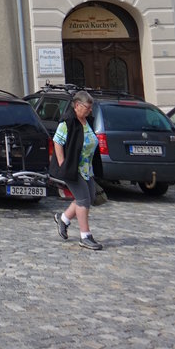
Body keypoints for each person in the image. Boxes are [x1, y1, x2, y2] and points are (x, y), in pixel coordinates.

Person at [52, 90, 104, 250]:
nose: (90, 111)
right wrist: (62, 163)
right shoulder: (67, 122)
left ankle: (64, 219)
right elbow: (57, 141)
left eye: (91, 108)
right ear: (76, 105)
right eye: (87, 108)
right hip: (73, 168)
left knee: (89, 197)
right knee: (83, 201)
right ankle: (85, 236)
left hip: (86, 168)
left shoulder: (87, 121)